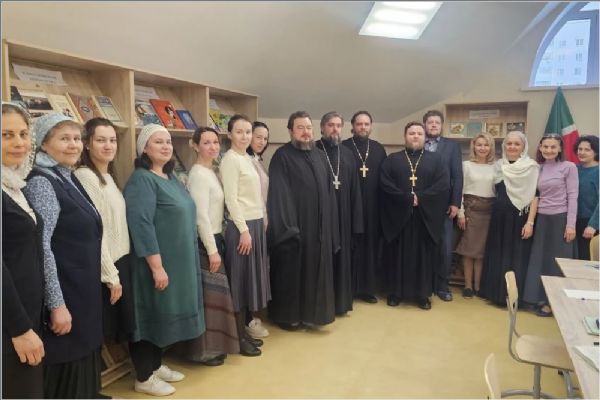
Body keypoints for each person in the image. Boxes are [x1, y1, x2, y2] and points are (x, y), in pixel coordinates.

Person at [24, 113, 104, 399]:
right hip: (66, 292)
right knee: (68, 365)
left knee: (84, 357)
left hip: (82, 290)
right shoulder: (42, 182)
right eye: (64, 139)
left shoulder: (66, 175)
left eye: (76, 138)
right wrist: (57, 304)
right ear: (44, 144)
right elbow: (42, 247)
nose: (74, 145)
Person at [123, 124, 205, 396]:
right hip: (154, 263)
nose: (166, 146)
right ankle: (144, 376)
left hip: (177, 262)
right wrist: (156, 266)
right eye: (158, 142)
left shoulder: (170, 178)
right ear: (144, 148)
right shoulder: (141, 180)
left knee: (164, 314)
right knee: (149, 315)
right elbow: (141, 225)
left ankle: (156, 365)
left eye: (168, 141)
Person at [173, 126, 240, 365]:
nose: (212, 147)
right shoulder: (198, 175)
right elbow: (200, 216)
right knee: (209, 298)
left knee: (216, 296)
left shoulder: (210, 171)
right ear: (195, 145)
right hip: (206, 241)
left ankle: (214, 347)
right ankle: (203, 351)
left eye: (215, 142)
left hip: (216, 238)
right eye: (206, 143)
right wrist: (212, 250)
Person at [267, 111, 339, 329]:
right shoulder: (282, 156)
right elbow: (279, 194)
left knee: (316, 272)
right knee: (293, 273)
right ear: (290, 131)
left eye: (308, 128)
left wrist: (330, 227)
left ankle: (313, 316)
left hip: (319, 229)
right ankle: (288, 318)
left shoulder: (320, 156)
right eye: (300, 128)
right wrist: (290, 229)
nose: (306, 132)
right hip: (294, 229)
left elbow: (329, 193)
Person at [74, 118, 134, 344]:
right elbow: (97, 231)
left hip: (121, 260)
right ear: (87, 144)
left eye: (112, 140)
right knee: (104, 331)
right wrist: (110, 275)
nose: (108, 146)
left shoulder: (109, 176)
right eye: (101, 140)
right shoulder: (85, 176)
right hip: (107, 266)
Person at [380, 122, 449, 310]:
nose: (415, 136)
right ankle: (395, 293)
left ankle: (422, 295)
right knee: (397, 256)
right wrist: (406, 199)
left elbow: (442, 184)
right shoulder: (392, 160)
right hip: (398, 218)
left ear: (425, 137)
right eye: (411, 133)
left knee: (423, 258)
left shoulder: (437, 160)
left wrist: (421, 198)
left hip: (424, 218)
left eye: (419, 133)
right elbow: (385, 184)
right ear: (405, 136)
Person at [2, 103, 45, 399]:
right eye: (6, 135)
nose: (18, 142)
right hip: (9, 324)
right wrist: (19, 328)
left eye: (23, 134)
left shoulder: (14, 183)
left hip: (26, 314)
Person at [220, 114, 270, 356]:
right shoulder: (230, 160)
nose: (244, 136)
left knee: (250, 282)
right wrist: (244, 230)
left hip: (255, 225)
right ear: (230, 134)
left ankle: (244, 332)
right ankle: (237, 338)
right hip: (242, 228)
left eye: (248, 132)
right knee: (239, 283)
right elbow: (231, 199)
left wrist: (261, 221)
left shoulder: (247, 158)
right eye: (239, 132)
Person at [480, 131, 539, 307]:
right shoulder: (499, 166)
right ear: (504, 145)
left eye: (517, 144)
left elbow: (535, 197)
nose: (512, 147)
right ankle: (495, 294)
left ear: (523, 147)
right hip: (499, 217)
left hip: (520, 218)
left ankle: (513, 297)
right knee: (498, 254)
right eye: (509, 143)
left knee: (516, 257)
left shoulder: (531, 167)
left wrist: (530, 222)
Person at [523, 134, 578, 317]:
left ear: (560, 148)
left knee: (556, 264)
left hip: (560, 220)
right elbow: (535, 197)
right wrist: (530, 222)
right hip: (542, 220)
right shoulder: (538, 168)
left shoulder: (569, 167)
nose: (549, 150)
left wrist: (570, 225)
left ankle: (554, 302)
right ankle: (539, 298)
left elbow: (573, 196)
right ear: (540, 147)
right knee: (540, 261)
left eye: (553, 147)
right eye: (545, 146)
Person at [316, 112, 363, 316]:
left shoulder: (348, 154)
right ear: (322, 128)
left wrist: (356, 222)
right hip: (322, 216)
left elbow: (355, 190)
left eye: (338, 125)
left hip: (344, 215)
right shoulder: (314, 150)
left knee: (343, 258)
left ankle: (340, 303)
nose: (335, 129)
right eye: (330, 125)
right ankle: (323, 303)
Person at [342, 111, 387, 304]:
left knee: (370, 248)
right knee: (350, 246)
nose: (363, 127)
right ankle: (348, 288)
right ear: (352, 126)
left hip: (372, 208)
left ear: (371, 126)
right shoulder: (343, 147)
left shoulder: (378, 149)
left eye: (366, 124)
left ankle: (367, 289)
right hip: (349, 206)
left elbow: (385, 179)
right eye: (359, 124)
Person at [423, 110, 463, 301]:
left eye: (437, 122)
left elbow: (457, 176)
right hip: (421, 205)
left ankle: (442, 285)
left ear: (442, 125)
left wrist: (455, 202)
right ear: (424, 124)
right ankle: (424, 283)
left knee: (444, 248)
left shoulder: (452, 146)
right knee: (423, 246)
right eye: (430, 122)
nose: (433, 125)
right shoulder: (417, 142)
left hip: (444, 205)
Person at [455, 133, 496, 298]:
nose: (482, 148)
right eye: (479, 145)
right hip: (471, 210)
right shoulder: (466, 165)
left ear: (491, 147)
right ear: (473, 146)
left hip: (489, 211)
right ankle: (468, 286)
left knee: (481, 252)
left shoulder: (497, 166)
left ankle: (478, 286)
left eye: (486, 145)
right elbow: (459, 189)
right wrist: (461, 213)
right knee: (469, 250)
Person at [244, 120, 271, 338]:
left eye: (265, 138)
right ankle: (246, 321)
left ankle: (250, 317)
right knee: (247, 274)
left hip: (259, 221)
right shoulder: (243, 161)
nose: (261, 141)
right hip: (248, 223)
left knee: (255, 273)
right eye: (258, 136)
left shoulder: (255, 159)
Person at [573, 135, 599, 260]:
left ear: (596, 152)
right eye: (580, 149)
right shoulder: (574, 169)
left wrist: (593, 225)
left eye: (587, 149)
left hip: (590, 224)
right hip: (573, 222)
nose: (582, 152)